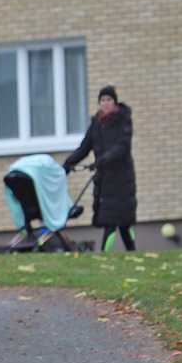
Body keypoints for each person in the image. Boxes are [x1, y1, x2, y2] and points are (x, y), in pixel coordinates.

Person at [63, 85, 137, 251]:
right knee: (115, 221)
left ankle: (104, 255)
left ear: (114, 101)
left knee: (117, 222)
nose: (105, 103)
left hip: (121, 179)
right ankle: (132, 253)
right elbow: (84, 147)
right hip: (104, 180)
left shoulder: (124, 120)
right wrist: (68, 164)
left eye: (109, 100)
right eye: (102, 100)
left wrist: (101, 161)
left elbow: (122, 147)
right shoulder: (96, 124)